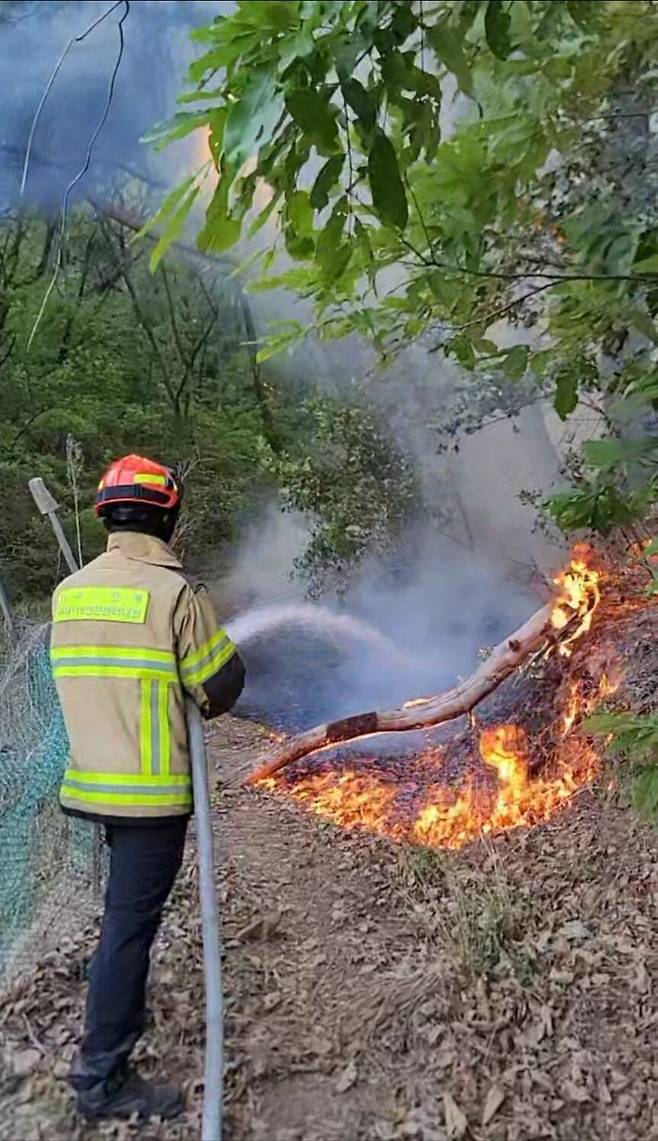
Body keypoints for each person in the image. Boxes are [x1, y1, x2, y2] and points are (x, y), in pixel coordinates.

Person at [50, 454, 245, 1122]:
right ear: (167, 516)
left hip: (91, 784)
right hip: (150, 798)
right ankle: (101, 1077)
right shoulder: (175, 595)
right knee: (129, 929)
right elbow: (218, 687)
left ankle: (109, 992)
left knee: (120, 921)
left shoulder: (68, 591)